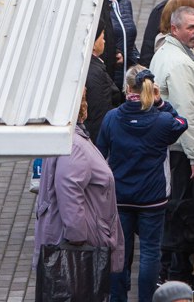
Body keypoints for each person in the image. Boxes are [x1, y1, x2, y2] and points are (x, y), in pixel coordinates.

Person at [98, 66, 189, 302]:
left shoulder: (111, 118)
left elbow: (100, 155)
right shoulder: (162, 121)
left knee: (120, 252)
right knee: (149, 252)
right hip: (153, 198)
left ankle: (119, 298)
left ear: (128, 88)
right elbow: (182, 122)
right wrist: (160, 103)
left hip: (121, 198)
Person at [147, 7, 194, 295]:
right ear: (175, 29)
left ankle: (168, 270)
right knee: (181, 212)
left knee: (172, 211)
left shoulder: (166, 52)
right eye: (190, 27)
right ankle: (180, 275)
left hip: (169, 149)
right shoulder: (181, 64)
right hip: (181, 151)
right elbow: (188, 114)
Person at [32, 92, 125, 288]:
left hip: (74, 240)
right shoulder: (75, 146)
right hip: (80, 247)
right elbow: (69, 191)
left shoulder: (68, 139)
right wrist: (78, 238)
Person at [85, 24, 123, 142]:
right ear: (93, 45)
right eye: (102, 37)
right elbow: (99, 112)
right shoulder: (95, 73)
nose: (105, 41)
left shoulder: (94, 66)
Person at [107, 0, 138, 79]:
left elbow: (129, 33)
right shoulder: (98, 5)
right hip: (111, 73)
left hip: (127, 71)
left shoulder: (125, 2)